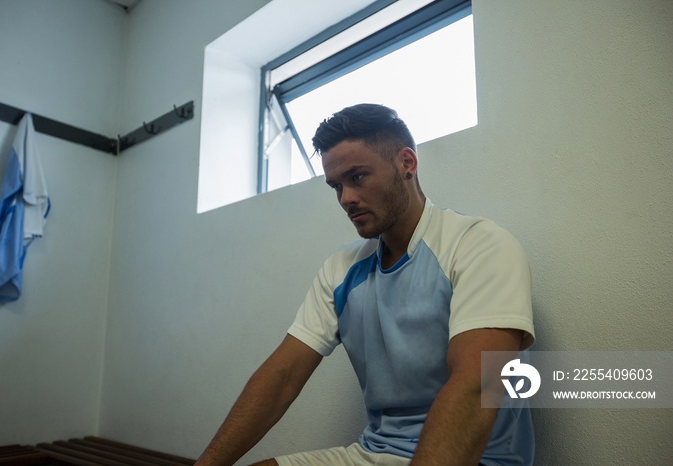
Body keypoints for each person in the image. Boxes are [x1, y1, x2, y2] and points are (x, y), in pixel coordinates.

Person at [195, 103, 535, 466]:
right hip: (374, 454)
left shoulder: (479, 246)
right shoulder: (341, 270)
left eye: (357, 177)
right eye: (336, 186)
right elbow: (283, 375)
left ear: (407, 163)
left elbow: (477, 385)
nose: (346, 199)